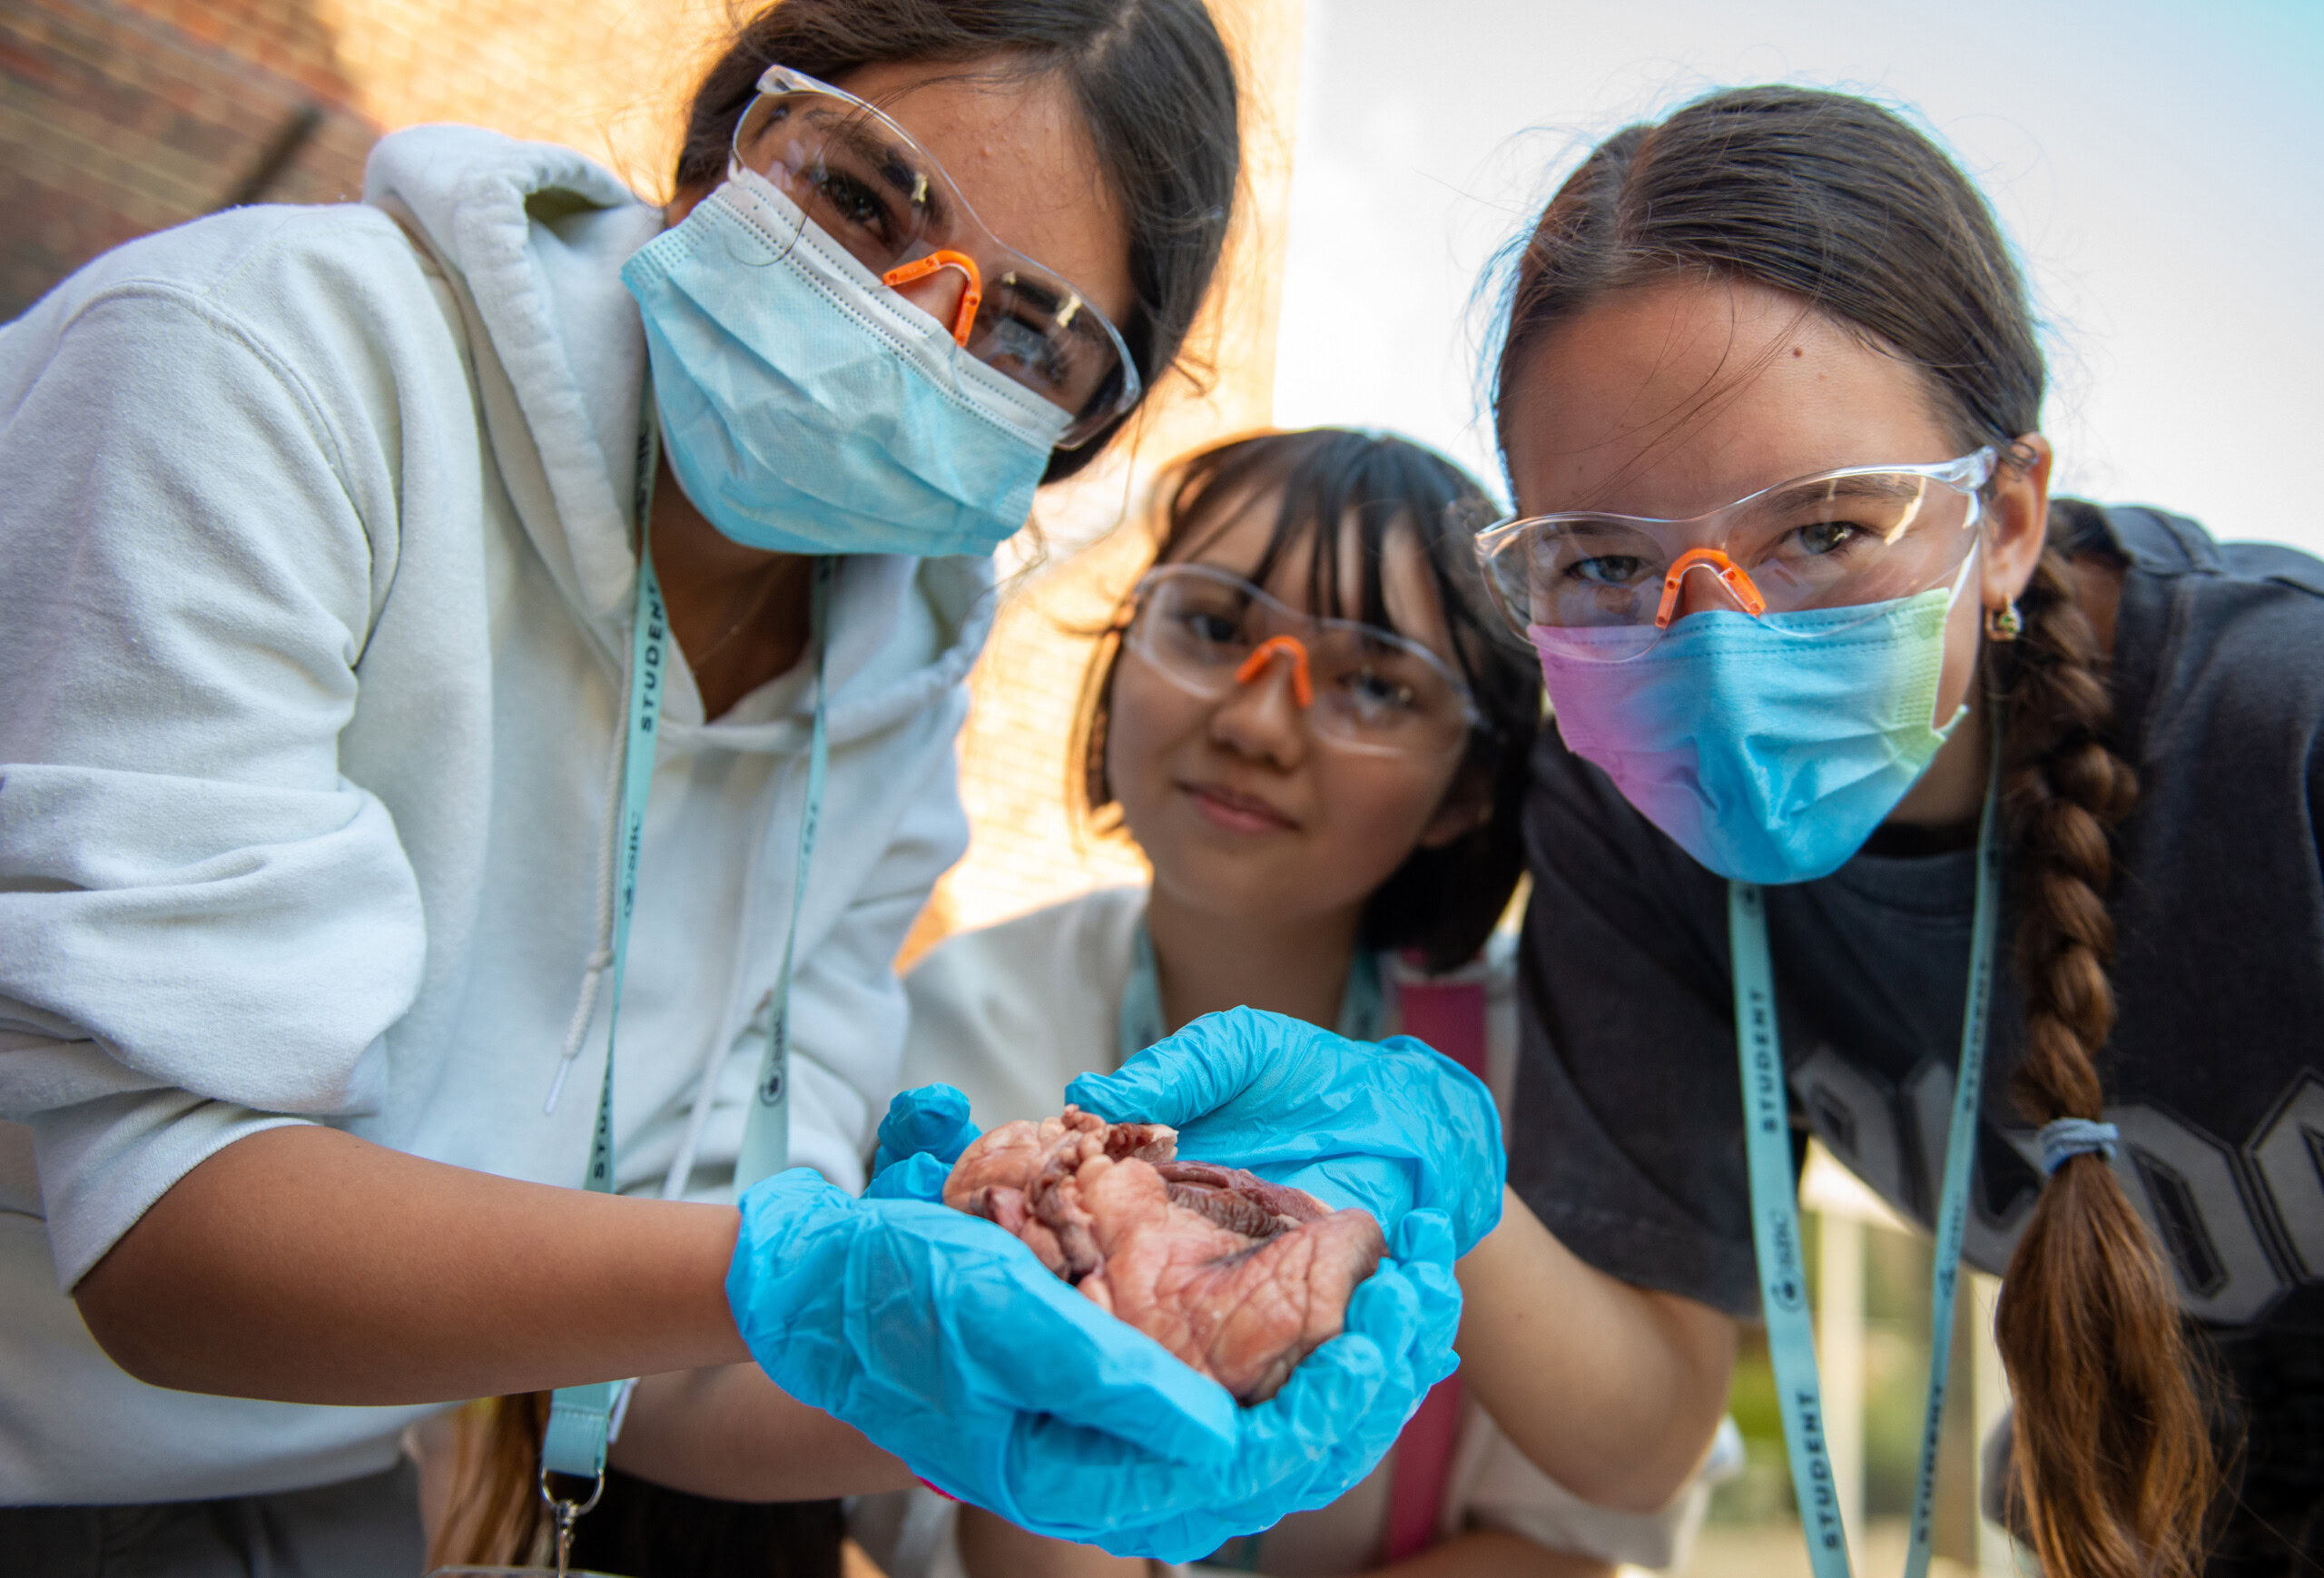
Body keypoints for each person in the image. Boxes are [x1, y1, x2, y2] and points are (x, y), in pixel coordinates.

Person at [0, 3, 1487, 1571]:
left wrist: (1089, 1341)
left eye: (1025, 327)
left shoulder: (896, 661)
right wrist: (802, 1279)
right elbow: (164, 1237)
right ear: (722, 147)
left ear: (1073, 426)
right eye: (861, 197)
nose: (908, 319)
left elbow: (677, 1369)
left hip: (315, 1491)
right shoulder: (255, 361)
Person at [1438, 85, 2324, 1578]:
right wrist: (1427, 1172)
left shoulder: (2283, 726)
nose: (1714, 646)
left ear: (2012, 516)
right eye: (1599, 557)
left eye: (1826, 532)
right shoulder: (1618, 815)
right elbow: (1641, 1426)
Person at [857, 428, 1740, 1578]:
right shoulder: (959, 1020)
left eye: (1375, 683)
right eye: (1216, 627)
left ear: (1467, 790)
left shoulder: (1539, 1078)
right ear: (1124, 650)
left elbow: (1578, 1533)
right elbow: (938, 1515)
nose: (1256, 723)